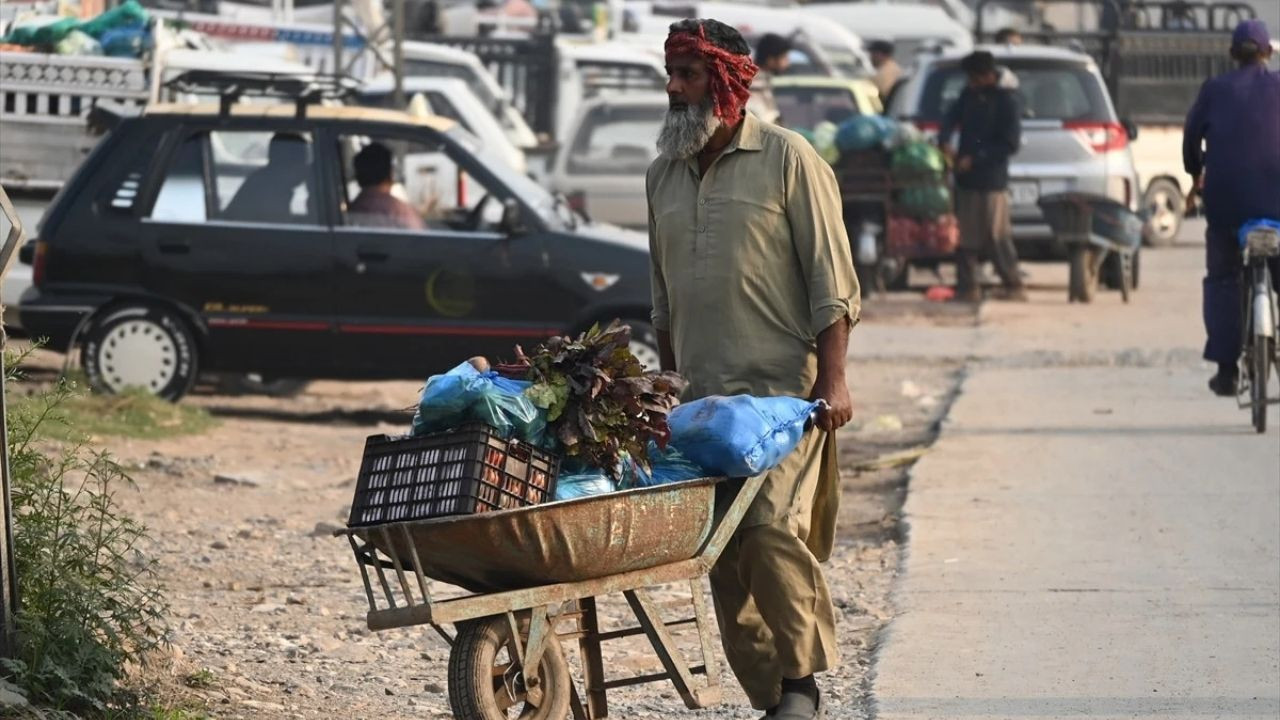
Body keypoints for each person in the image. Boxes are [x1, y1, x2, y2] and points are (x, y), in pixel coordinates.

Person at [647, 18, 859, 720]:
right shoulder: (663, 173)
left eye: (688, 74)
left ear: (727, 82)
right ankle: (775, 699)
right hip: (702, 404)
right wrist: (666, 389)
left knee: (768, 529)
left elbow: (833, 280)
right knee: (722, 555)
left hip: (783, 400)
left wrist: (834, 379)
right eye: (671, 73)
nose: (674, 88)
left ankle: (801, 683)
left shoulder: (789, 159)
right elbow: (663, 299)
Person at [1182, 19, 1280, 396]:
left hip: (1227, 203)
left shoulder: (1215, 89)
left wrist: (1195, 173)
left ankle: (1226, 370)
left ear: (1232, 55)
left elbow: (1191, 139)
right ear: (1268, 53)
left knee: (1224, 277)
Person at [940, 50, 1026, 302]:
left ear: (988, 75)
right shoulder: (969, 95)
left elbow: (1010, 144)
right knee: (965, 234)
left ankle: (1014, 284)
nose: (971, 83)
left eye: (975, 78)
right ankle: (967, 288)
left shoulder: (1006, 101)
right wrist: (945, 141)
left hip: (991, 180)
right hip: (966, 178)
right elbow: (950, 117)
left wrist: (976, 158)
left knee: (995, 234)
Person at [222, 133, 315, 224]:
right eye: (303, 163)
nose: (306, 170)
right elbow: (280, 233)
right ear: (288, 164)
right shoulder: (269, 192)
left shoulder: (263, 182)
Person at [348, 142, 425, 231]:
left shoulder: (353, 210)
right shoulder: (400, 211)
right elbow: (423, 239)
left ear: (358, 176)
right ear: (389, 173)